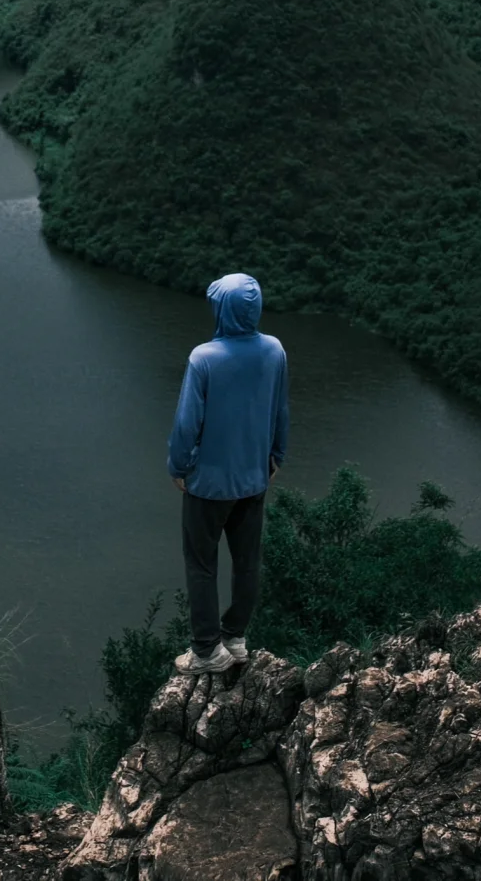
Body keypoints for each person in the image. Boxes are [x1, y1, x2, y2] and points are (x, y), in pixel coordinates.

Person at [167, 271, 289, 675]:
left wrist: (179, 467)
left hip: (208, 485)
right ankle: (235, 638)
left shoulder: (204, 358)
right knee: (247, 561)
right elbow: (280, 409)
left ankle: (206, 650)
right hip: (254, 478)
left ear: (222, 309)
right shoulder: (274, 350)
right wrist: (275, 457)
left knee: (202, 565)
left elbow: (187, 425)